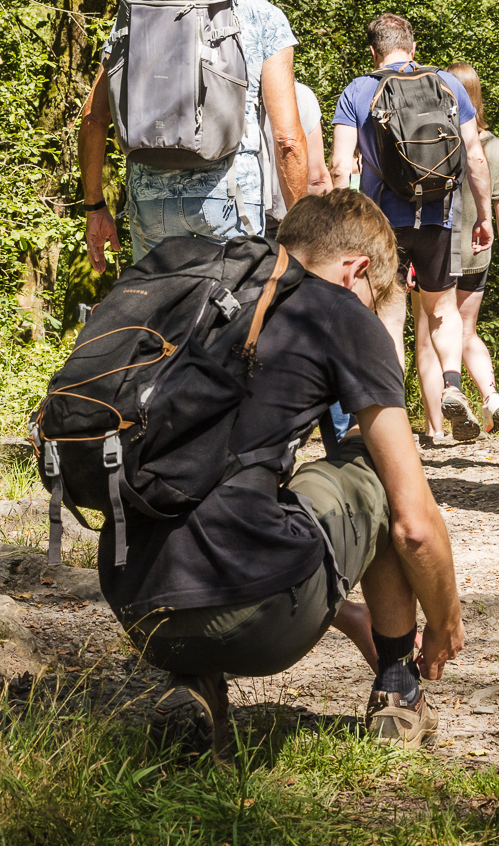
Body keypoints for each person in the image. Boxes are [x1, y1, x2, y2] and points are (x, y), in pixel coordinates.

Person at [109, 191, 465, 757]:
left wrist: (349, 616)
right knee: (373, 461)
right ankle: (399, 690)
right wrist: (445, 619)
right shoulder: (339, 311)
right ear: (358, 270)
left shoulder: (210, 299)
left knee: (240, 494)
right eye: (374, 298)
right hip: (257, 620)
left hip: (137, 606)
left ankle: (194, 685)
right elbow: (414, 523)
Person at [81, 0, 312, 271]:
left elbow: (93, 117)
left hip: (149, 201)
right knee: (233, 324)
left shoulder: (137, 8)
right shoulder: (261, 14)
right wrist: (301, 234)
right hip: (230, 201)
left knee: (159, 323)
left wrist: (95, 207)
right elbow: (288, 139)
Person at [329, 14, 493, 446]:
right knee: (442, 311)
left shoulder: (358, 90)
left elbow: (339, 166)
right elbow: (474, 156)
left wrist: (343, 223)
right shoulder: (447, 85)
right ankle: (453, 384)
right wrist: (485, 217)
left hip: (382, 225)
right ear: (412, 47)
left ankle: (392, 413)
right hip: (439, 216)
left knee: (390, 316)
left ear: (373, 51)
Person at [442, 62, 499, 433]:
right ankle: (491, 397)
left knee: (433, 332)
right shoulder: (492, 146)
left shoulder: (434, 142)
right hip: (477, 252)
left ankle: (442, 418)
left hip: (438, 249)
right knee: (467, 330)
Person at [266, 79, 334, 227]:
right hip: (291, 222)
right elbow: (318, 178)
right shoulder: (302, 94)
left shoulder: (232, 89)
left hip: (237, 216)